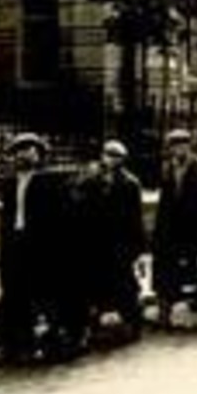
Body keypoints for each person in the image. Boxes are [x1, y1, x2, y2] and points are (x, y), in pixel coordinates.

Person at [0, 133, 79, 363]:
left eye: (29, 149)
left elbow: (63, 217)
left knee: (48, 294)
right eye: (19, 150)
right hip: (16, 244)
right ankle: (18, 343)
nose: (23, 154)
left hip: (43, 246)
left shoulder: (50, 182)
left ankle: (56, 342)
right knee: (15, 293)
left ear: (39, 154)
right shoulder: (9, 183)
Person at [152, 129, 197, 330]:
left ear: (189, 146)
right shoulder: (167, 169)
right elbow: (165, 204)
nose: (179, 149)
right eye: (175, 146)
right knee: (167, 270)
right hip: (175, 230)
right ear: (170, 149)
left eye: (183, 144)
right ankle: (165, 311)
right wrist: (159, 233)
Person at [74, 140, 145, 343]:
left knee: (125, 285)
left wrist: (137, 249)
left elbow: (135, 218)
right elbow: (79, 203)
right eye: (109, 155)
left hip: (119, 243)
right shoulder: (90, 177)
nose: (111, 160)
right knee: (94, 284)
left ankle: (132, 323)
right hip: (95, 241)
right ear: (102, 155)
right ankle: (94, 325)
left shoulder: (130, 183)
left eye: (117, 157)